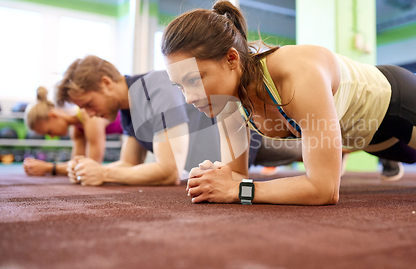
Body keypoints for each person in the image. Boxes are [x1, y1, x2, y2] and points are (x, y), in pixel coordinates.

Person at [162, 0, 416, 205]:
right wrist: (214, 178)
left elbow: (323, 189)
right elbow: (236, 175)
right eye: (180, 86)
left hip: (395, 101)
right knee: (413, 153)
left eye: (195, 80)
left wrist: (242, 191)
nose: (190, 98)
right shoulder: (226, 101)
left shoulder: (297, 75)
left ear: (232, 59)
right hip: (363, 135)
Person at [55, 55, 302, 186]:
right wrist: (91, 171)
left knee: (317, 147)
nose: (87, 114)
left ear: (106, 84)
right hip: (223, 154)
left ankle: (341, 136)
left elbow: (167, 172)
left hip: (248, 138)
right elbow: (128, 164)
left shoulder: (154, 88)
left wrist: (104, 174)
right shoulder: (128, 109)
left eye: (88, 104)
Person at [23, 87, 122, 176]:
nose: (52, 136)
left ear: (53, 116)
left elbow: (93, 165)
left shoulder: (90, 116)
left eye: (49, 131)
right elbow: (76, 164)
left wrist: (49, 167)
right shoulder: (76, 129)